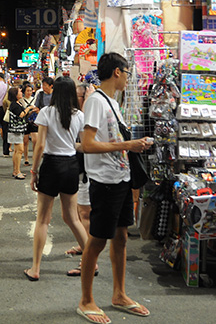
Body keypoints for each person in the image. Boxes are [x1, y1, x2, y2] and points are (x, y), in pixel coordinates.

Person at [77, 53, 151, 323]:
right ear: (117, 72)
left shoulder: (112, 102)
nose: (129, 78)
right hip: (105, 182)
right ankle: (86, 300)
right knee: (96, 240)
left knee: (121, 237)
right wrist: (127, 145)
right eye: (128, 72)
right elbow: (87, 144)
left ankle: (119, 294)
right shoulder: (96, 101)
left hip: (120, 179)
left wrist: (134, 145)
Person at [23, 77, 88, 281]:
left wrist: (34, 171)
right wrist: (69, 145)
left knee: (43, 219)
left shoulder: (46, 112)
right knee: (72, 218)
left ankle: (35, 268)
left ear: (54, 92)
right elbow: (83, 145)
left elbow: (40, 145)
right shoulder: (78, 115)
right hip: (70, 166)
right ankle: (91, 261)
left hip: (51, 165)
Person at [66, 83, 96, 260]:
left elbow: (86, 146)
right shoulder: (77, 116)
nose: (74, 98)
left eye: (78, 95)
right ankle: (83, 244)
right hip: (77, 169)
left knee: (85, 213)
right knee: (79, 212)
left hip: (86, 171)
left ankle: (89, 253)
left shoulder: (87, 118)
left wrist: (70, 145)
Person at [7, 87, 34, 179]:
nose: (21, 92)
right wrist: (29, 108)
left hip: (18, 129)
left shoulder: (17, 103)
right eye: (19, 92)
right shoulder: (14, 104)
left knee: (16, 151)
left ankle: (16, 170)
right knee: (20, 150)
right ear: (15, 94)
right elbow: (21, 114)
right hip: (16, 130)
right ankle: (17, 171)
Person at [20, 82, 39, 166]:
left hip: (34, 121)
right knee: (25, 141)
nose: (29, 92)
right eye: (27, 91)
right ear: (24, 91)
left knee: (35, 140)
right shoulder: (21, 100)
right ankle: (26, 158)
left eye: (30, 90)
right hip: (25, 121)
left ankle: (35, 157)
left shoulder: (34, 99)